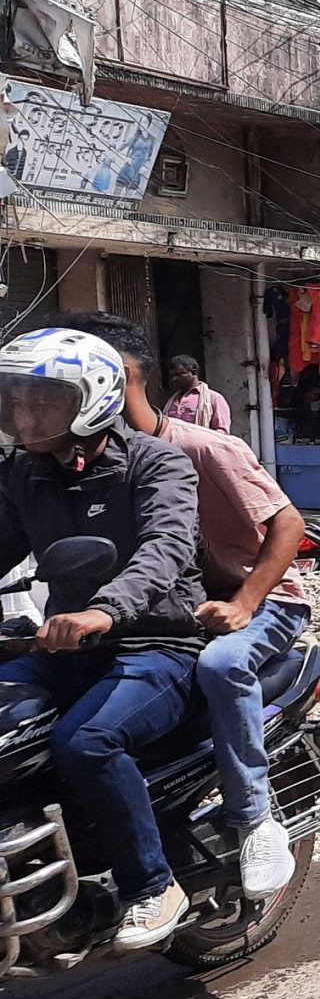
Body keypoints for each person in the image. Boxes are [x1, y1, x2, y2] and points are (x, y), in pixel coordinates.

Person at [65, 312, 304, 900]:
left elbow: (288, 524)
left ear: (120, 378)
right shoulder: (93, 464)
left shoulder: (203, 448)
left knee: (221, 665)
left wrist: (248, 602)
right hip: (178, 610)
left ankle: (254, 819)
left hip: (262, 598)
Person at [0, 328, 207, 950]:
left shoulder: (158, 462)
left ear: (91, 398)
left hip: (157, 646)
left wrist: (105, 611)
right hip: (61, 646)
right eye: (15, 399)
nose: (23, 414)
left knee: (84, 742)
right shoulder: (22, 474)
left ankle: (153, 885)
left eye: (41, 400)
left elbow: (165, 548)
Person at [162, 355, 230, 434]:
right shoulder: (172, 401)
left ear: (194, 372)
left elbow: (222, 432)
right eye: (173, 376)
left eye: (179, 374)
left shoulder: (213, 398)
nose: (175, 379)